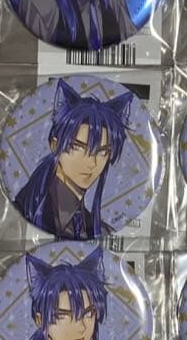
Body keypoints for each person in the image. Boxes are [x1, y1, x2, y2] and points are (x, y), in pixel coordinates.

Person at [13, 78, 132, 237]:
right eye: (77, 147)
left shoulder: (98, 229)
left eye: (102, 152)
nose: (91, 163)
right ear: (55, 145)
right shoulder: (24, 210)